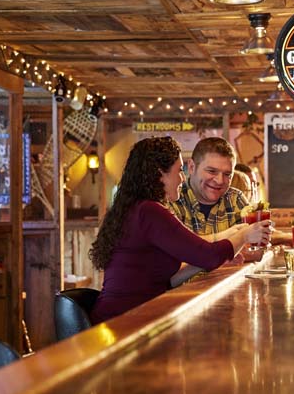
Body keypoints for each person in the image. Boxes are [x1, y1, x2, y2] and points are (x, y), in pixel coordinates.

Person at [88, 136, 271, 324]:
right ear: (160, 174)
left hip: (137, 317)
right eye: (178, 171)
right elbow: (209, 255)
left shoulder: (136, 208)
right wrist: (244, 235)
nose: (182, 178)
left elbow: (167, 282)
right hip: (123, 323)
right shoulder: (150, 212)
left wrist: (202, 264)